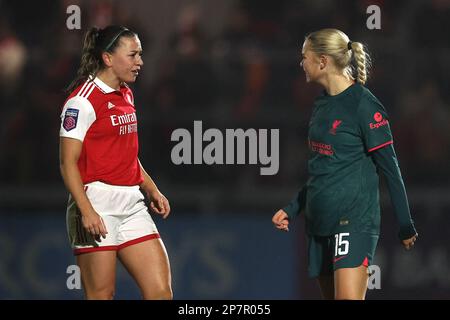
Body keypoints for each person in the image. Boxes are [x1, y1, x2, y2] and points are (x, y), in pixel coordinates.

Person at [272, 28, 418, 300]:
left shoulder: (364, 106)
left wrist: (405, 223)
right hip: (318, 224)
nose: (301, 63)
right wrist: (293, 208)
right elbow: (322, 170)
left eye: (305, 57)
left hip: (353, 221)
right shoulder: (321, 106)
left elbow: (391, 169)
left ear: (323, 61)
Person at [59, 25, 172, 300]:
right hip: (96, 203)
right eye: (133, 55)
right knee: (102, 295)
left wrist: (151, 189)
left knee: (160, 293)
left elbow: (125, 154)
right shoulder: (81, 102)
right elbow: (67, 163)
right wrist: (86, 211)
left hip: (132, 204)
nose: (140, 62)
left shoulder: (126, 93)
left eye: (140, 55)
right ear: (108, 58)